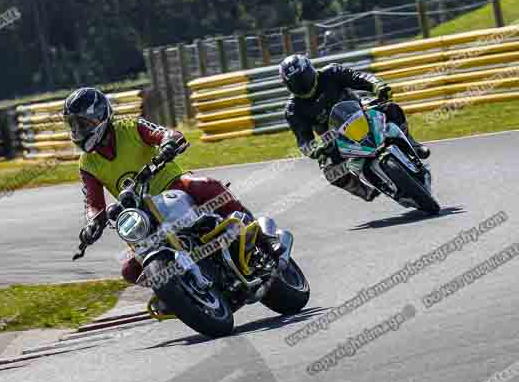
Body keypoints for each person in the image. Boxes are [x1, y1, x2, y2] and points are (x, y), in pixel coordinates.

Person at [63, 87, 252, 286]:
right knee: (129, 270)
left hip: (173, 185)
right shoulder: (87, 163)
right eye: (73, 125)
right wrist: (93, 223)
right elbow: (94, 203)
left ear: (100, 117)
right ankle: (177, 290)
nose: (77, 131)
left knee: (206, 186)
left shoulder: (131, 126)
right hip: (140, 213)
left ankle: (247, 226)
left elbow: (166, 133)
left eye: (82, 123)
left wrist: (169, 143)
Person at [280, 54, 430, 202]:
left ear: (311, 70)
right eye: (296, 83)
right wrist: (315, 149)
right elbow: (303, 140)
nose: (302, 85)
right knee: (330, 171)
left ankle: (413, 145)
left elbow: (360, 77)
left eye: (303, 79)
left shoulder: (332, 72)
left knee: (391, 108)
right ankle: (363, 190)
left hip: (360, 113)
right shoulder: (293, 110)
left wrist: (378, 86)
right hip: (334, 137)